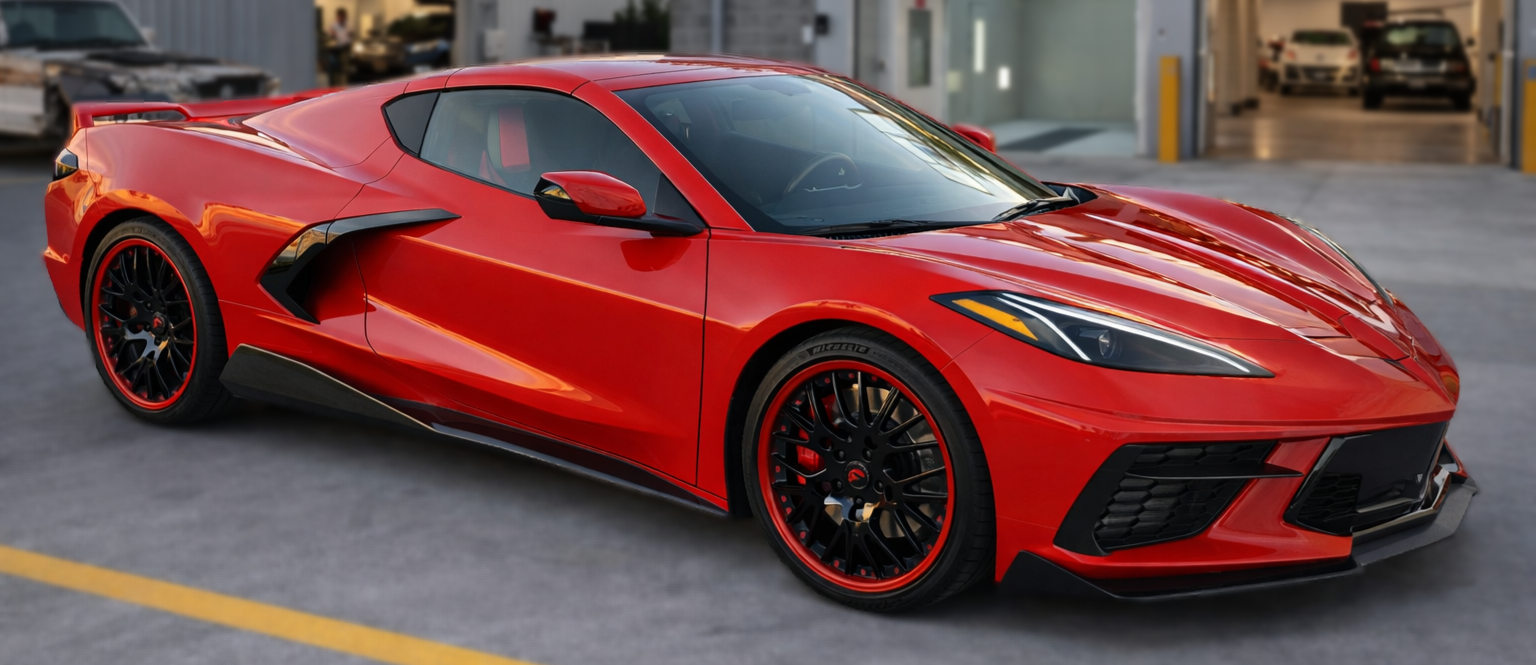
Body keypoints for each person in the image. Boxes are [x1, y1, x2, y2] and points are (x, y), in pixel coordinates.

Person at [326, 8, 352, 86]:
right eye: (340, 16)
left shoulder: (348, 24)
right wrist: (332, 34)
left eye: (343, 16)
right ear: (338, 16)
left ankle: (343, 84)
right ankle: (336, 84)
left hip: (345, 49)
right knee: (335, 67)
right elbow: (332, 36)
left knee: (344, 68)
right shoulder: (334, 25)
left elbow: (350, 35)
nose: (341, 18)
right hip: (336, 50)